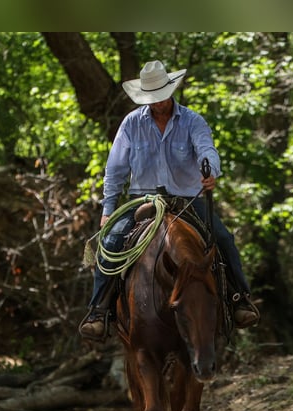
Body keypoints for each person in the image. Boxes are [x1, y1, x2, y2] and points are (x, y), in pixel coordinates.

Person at [79, 60, 260, 341]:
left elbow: (206, 150)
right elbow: (114, 169)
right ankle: (98, 311)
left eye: (161, 96)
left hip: (186, 199)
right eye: (152, 98)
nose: (158, 103)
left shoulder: (192, 120)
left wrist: (210, 171)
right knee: (110, 243)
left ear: (170, 90)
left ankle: (239, 298)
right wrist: (108, 209)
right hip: (141, 199)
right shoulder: (131, 124)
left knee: (223, 239)